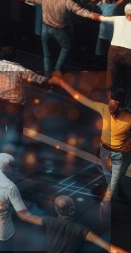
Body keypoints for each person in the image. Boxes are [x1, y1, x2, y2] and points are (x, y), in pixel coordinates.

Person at [49, 78, 131, 209]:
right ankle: (119, 192)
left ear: (121, 105)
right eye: (110, 100)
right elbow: (80, 98)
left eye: (115, 102)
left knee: (113, 179)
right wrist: (61, 83)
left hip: (120, 153)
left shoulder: (128, 119)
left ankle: (108, 201)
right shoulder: (104, 109)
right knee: (110, 176)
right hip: (104, 150)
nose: (111, 105)